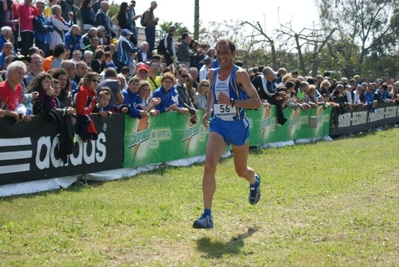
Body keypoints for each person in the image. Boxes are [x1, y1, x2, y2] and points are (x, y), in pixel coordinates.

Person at [192, 39, 261, 229]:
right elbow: (213, 95)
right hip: (219, 126)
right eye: (219, 53)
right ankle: (207, 216)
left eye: (225, 53)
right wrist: (208, 111)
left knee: (241, 170)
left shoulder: (240, 75)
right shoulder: (213, 74)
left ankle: (254, 180)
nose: (221, 56)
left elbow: (256, 102)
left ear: (233, 54)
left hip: (238, 126)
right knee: (209, 165)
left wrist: (232, 101)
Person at [74, 71, 99, 141]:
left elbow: (91, 108)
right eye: (94, 80)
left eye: (98, 81)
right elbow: (80, 111)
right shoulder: (82, 92)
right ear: (87, 81)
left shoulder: (94, 93)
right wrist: (88, 110)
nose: (96, 83)